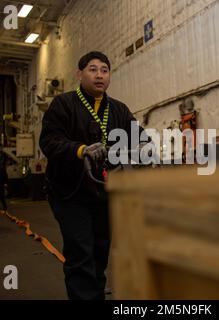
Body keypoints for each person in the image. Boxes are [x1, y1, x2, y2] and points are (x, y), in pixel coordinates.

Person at [39, 51, 146, 300]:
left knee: (100, 250)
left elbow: (141, 139)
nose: (99, 75)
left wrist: (143, 150)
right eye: (93, 69)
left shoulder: (119, 110)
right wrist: (80, 150)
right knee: (81, 251)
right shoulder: (63, 104)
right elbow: (49, 141)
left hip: (104, 193)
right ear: (80, 74)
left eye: (104, 70)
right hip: (70, 193)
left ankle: (94, 294)